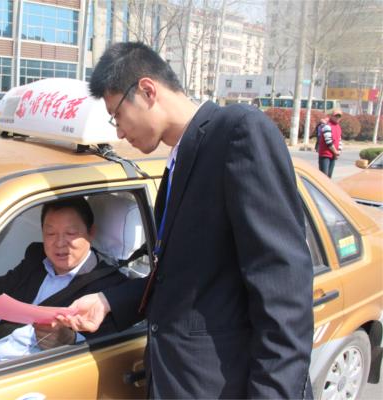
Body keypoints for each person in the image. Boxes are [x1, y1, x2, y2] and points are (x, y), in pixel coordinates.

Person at [57, 42, 314, 399]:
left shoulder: (238, 133)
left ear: (147, 91)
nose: (119, 133)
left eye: (117, 116)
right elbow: (185, 278)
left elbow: (283, 288)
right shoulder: (179, 161)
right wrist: (109, 302)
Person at [0, 197, 127, 366]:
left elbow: (112, 345)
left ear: (91, 232)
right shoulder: (36, 258)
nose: (60, 243)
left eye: (70, 233)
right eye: (51, 234)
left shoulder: (110, 287)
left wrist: (70, 339)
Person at [317, 109, 343, 178]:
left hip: (333, 155)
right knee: (324, 177)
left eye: (339, 116)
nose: (337, 118)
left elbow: (339, 141)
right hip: (325, 155)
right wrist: (336, 152)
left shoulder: (338, 127)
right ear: (331, 116)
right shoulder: (327, 126)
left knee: (329, 177)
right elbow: (328, 141)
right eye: (336, 116)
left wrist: (338, 152)